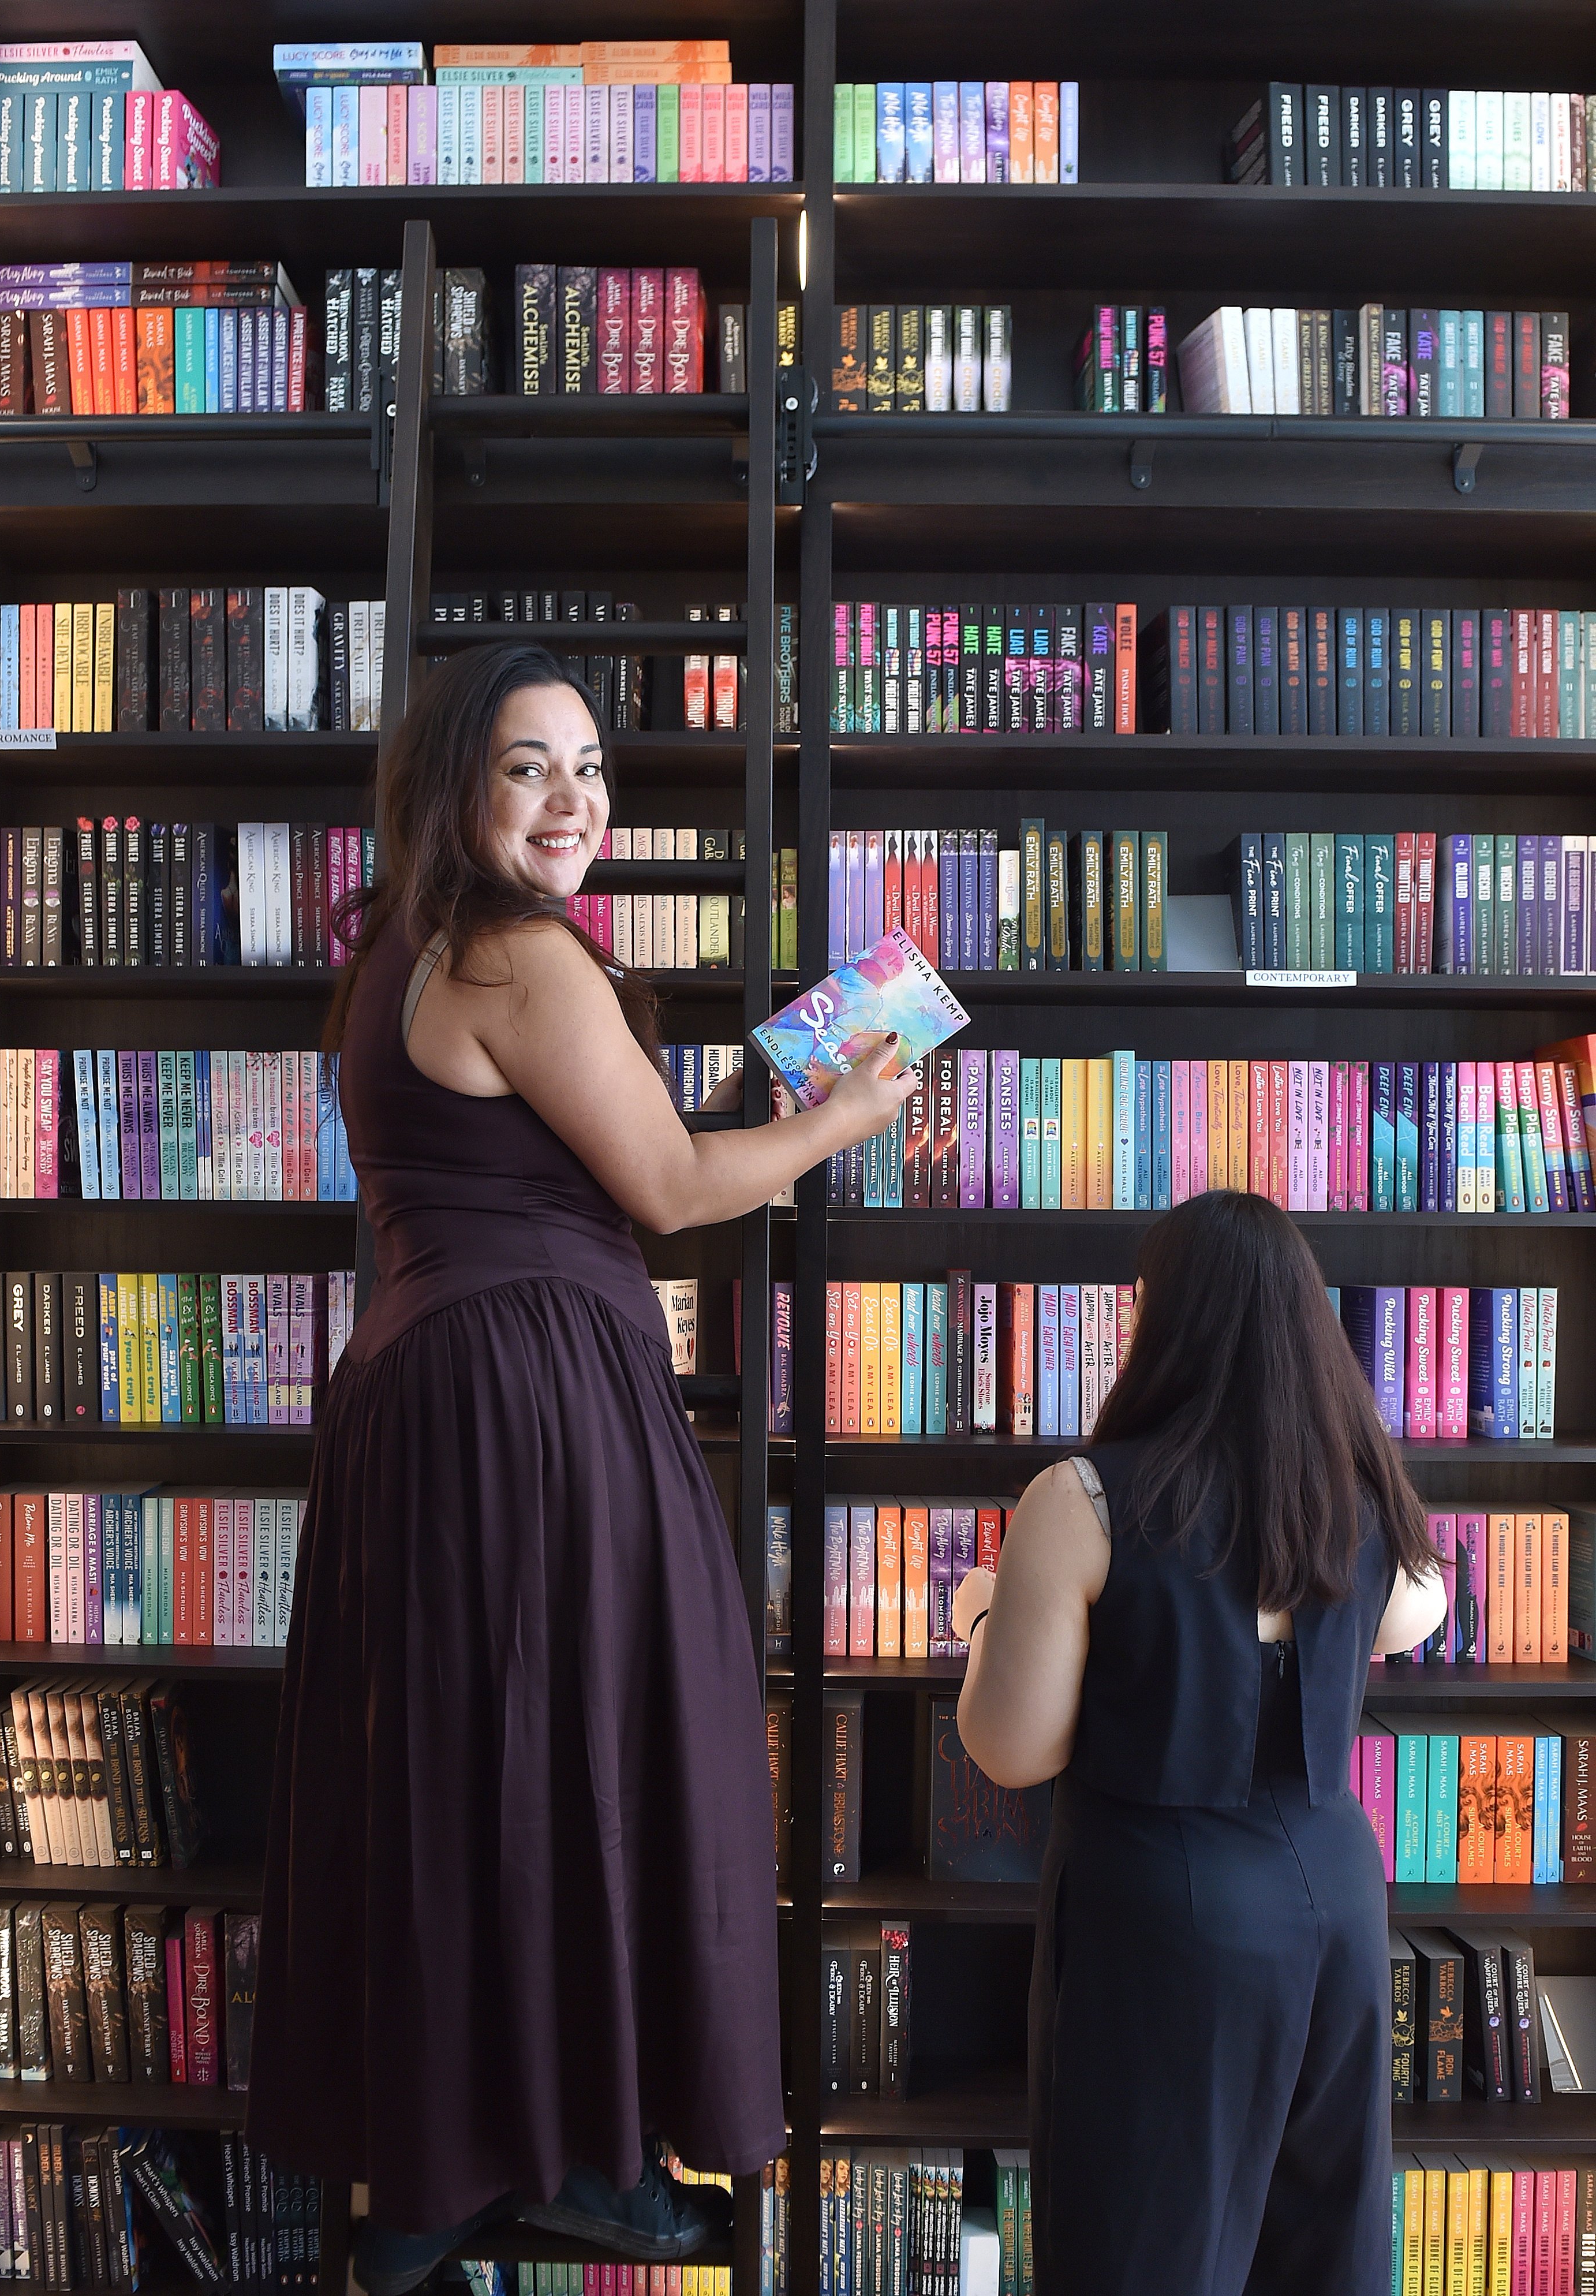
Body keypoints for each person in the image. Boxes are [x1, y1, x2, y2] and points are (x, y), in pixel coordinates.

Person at [245, 644, 915, 2293]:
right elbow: (675, 1185)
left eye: (593, 769)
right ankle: (596, 2156)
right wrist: (847, 1117)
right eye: (532, 766)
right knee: (614, 1749)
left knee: (463, 1773)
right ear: (460, 786)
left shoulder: (402, 949)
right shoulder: (523, 953)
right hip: (527, 1394)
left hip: (427, 1389)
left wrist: (756, 1102)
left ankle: (438, 2177)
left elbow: (583, 1151)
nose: (575, 801)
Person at [948, 1190, 1445, 2296]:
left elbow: (1011, 1748)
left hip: (1164, 1918)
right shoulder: (1357, 1487)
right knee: (1321, 2245)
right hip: (1335, 1895)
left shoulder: (1082, 1498)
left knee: (1145, 2250)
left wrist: (982, 1612)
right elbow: (1416, 1612)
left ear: (1159, 1321)